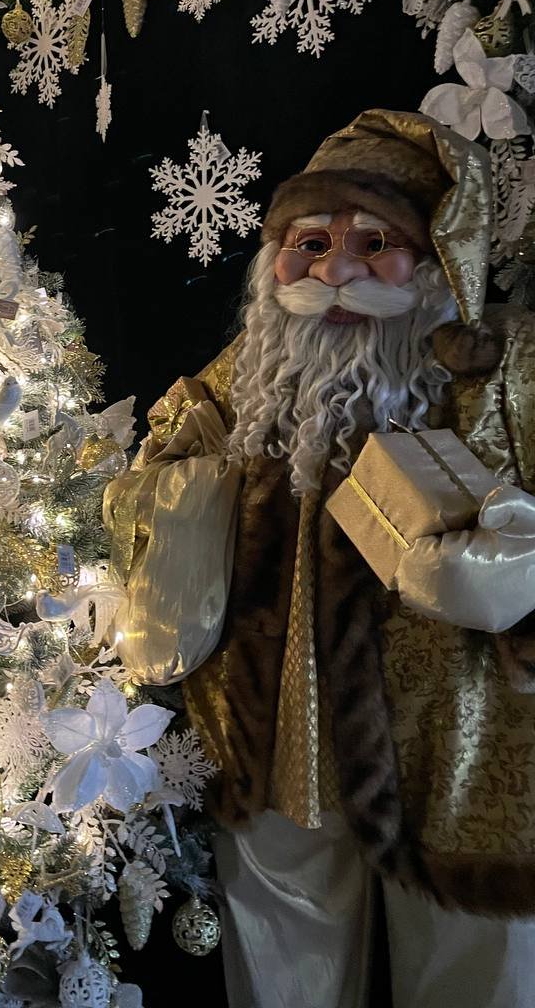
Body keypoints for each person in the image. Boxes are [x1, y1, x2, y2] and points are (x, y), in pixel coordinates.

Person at [104, 110, 535, 1008]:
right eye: (310, 244)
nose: (336, 273)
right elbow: (155, 479)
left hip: (458, 738)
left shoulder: (508, 367)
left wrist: (503, 565)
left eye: (374, 243)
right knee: (284, 956)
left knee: (471, 965)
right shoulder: (252, 366)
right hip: (275, 731)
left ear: (436, 260)